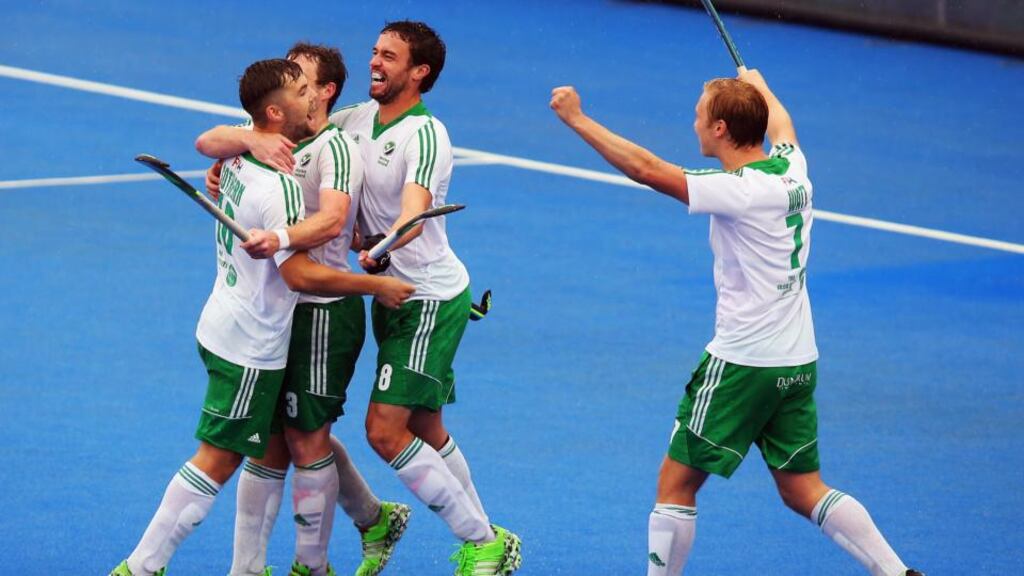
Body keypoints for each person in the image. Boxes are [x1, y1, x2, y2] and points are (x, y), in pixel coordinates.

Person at [550, 71, 924, 576]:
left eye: (701, 115)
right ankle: (898, 572)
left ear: (721, 128)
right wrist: (760, 85)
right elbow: (783, 124)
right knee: (802, 489)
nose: (694, 123)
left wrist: (577, 118)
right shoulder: (794, 170)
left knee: (676, 485)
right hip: (796, 361)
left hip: (743, 364)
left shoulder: (738, 190)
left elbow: (644, 168)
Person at [109, 58, 414, 576]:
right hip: (252, 343)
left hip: (224, 323)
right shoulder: (279, 188)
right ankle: (141, 567)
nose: (311, 96)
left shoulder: (241, 156)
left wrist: (288, 229)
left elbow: (328, 218)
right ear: (274, 112)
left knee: (275, 446)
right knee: (218, 459)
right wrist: (375, 285)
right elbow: (298, 276)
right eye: (300, 89)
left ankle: (249, 569)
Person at [197, 43, 411, 576]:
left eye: (300, 77)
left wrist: (279, 235)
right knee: (273, 437)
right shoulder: (274, 131)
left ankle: (311, 567)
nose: (290, 80)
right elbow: (208, 139)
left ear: (323, 92)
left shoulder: (336, 149)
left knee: (305, 435)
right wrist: (247, 141)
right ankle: (252, 567)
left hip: (322, 307)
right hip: (278, 309)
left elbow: (333, 221)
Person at [328, 20, 522, 575]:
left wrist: (383, 245)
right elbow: (304, 135)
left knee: (385, 430)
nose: (375, 62)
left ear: (420, 72)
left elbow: (413, 215)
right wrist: (240, 148)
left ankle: (482, 542)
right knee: (426, 429)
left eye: (389, 56)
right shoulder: (356, 120)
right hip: (391, 294)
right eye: (374, 51)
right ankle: (491, 543)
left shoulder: (426, 134)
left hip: (427, 298)